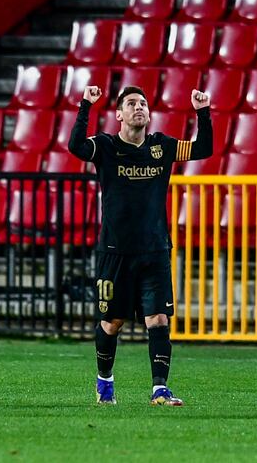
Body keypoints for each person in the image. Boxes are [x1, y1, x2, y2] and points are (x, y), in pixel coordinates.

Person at [69, 85, 212, 406]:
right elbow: (75, 145)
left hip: (155, 249)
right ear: (118, 114)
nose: (139, 108)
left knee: (158, 319)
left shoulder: (162, 146)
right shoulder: (104, 146)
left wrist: (202, 111)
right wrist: (85, 106)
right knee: (112, 322)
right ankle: (104, 382)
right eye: (131, 103)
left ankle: (160, 389)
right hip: (115, 252)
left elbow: (204, 148)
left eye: (144, 103)